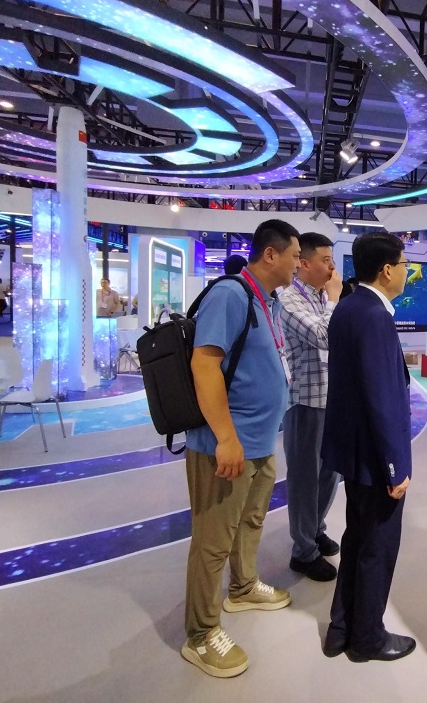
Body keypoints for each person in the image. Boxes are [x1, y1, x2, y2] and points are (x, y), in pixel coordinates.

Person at [180, 219, 301, 679]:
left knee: (250, 521)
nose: (298, 264)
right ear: (271, 254)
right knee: (212, 542)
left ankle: (244, 586)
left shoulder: (266, 300)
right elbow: (205, 365)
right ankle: (201, 633)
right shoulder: (232, 295)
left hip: (259, 441)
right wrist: (226, 438)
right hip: (226, 445)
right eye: (294, 256)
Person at [320, 232, 415, 663]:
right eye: (405, 264)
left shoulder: (348, 307)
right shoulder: (374, 316)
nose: (407, 271)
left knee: (357, 538)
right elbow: (382, 399)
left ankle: (340, 628)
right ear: (387, 270)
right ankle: (367, 638)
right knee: (377, 547)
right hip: (376, 457)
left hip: (353, 452)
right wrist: (395, 467)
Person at [279, 233, 344, 582]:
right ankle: (302, 552)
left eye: (332, 260)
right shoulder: (289, 299)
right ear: (304, 263)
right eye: (325, 260)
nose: (332, 267)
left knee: (330, 473)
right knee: (305, 478)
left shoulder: (321, 297)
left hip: (331, 399)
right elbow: (323, 336)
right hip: (305, 402)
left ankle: (315, 530)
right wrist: (334, 299)